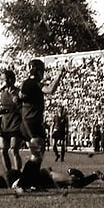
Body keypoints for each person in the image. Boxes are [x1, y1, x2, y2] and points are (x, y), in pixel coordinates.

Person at [12, 59, 70, 194]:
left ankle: (32, 183)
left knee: (39, 154)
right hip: (31, 122)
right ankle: (22, 184)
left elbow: (17, 98)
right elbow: (50, 90)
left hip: (31, 121)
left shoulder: (26, 84)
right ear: (38, 71)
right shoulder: (33, 83)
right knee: (36, 154)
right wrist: (60, 74)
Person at [0, 167, 104, 190]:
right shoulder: (7, 175)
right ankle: (95, 175)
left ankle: (73, 172)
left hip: (46, 177)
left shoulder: (11, 181)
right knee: (77, 185)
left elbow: (25, 183)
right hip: (46, 179)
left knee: (74, 181)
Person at [0, 69, 23, 171]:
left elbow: (23, 109)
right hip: (4, 125)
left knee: (14, 150)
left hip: (15, 125)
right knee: (3, 150)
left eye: (3, 79)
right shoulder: (3, 94)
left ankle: (17, 174)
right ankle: (9, 174)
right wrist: (0, 110)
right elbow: (5, 109)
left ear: (9, 80)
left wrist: (18, 102)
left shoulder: (18, 93)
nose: (2, 81)